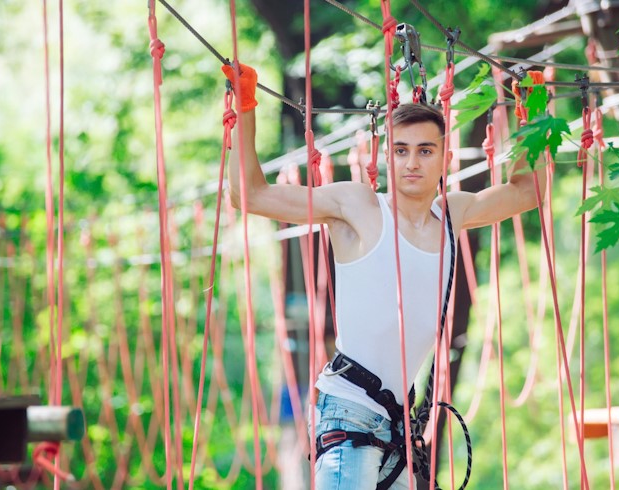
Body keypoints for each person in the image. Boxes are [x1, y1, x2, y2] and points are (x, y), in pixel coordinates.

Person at [223, 63, 545, 489]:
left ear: (444, 158)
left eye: (425, 150)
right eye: (401, 150)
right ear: (385, 156)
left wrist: (535, 107)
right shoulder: (358, 206)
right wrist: (244, 107)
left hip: (397, 423)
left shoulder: (452, 214)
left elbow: (527, 191)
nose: (412, 162)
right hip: (350, 409)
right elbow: (250, 194)